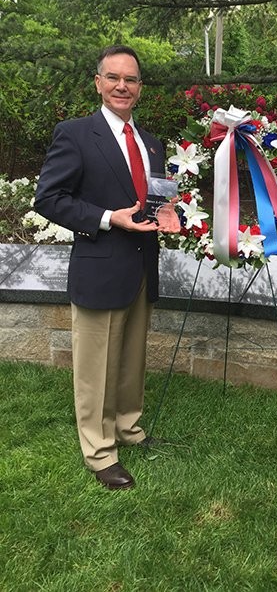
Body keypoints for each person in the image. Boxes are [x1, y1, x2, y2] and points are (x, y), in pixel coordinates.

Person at [35, 45, 178, 490]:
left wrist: (168, 213)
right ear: (98, 82)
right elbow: (49, 198)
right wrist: (106, 217)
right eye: (113, 77)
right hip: (100, 264)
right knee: (96, 366)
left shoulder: (151, 142)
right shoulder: (75, 134)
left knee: (132, 358)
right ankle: (99, 450)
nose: (122, 86)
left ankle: (128, 426)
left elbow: (152, 200)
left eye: (131, 79)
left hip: (141, 266)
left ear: (140, 88)